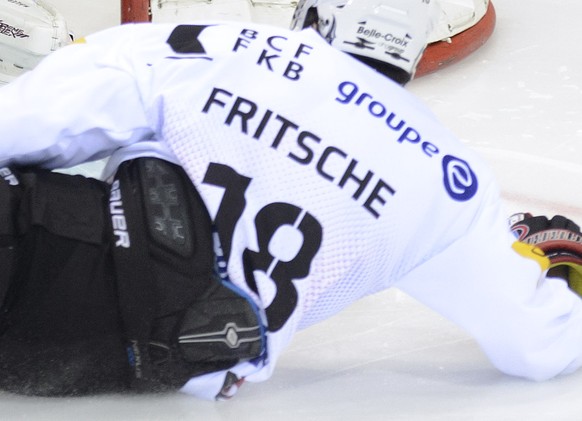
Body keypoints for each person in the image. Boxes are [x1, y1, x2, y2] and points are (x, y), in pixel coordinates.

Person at [1, 0, 582, 400]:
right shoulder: (453, 186)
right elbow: (540, 347)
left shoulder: (235, 48)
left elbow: (30, 123)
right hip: (120, 361)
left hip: (45, 266)